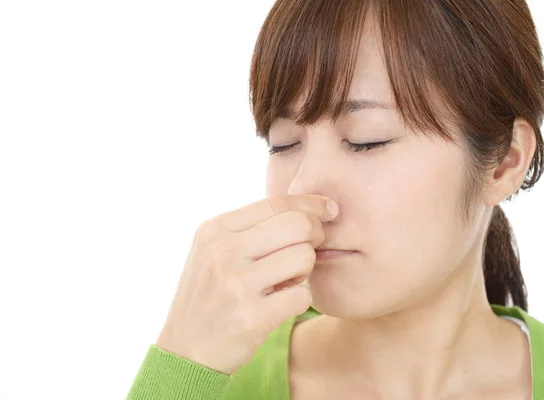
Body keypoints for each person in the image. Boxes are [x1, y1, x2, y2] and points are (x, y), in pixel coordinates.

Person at [127, 0, 544, 399]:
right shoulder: (214, 379)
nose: (302, 188)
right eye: (283, 144)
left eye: (366, 141)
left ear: (504, 163)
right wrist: (181, 364)